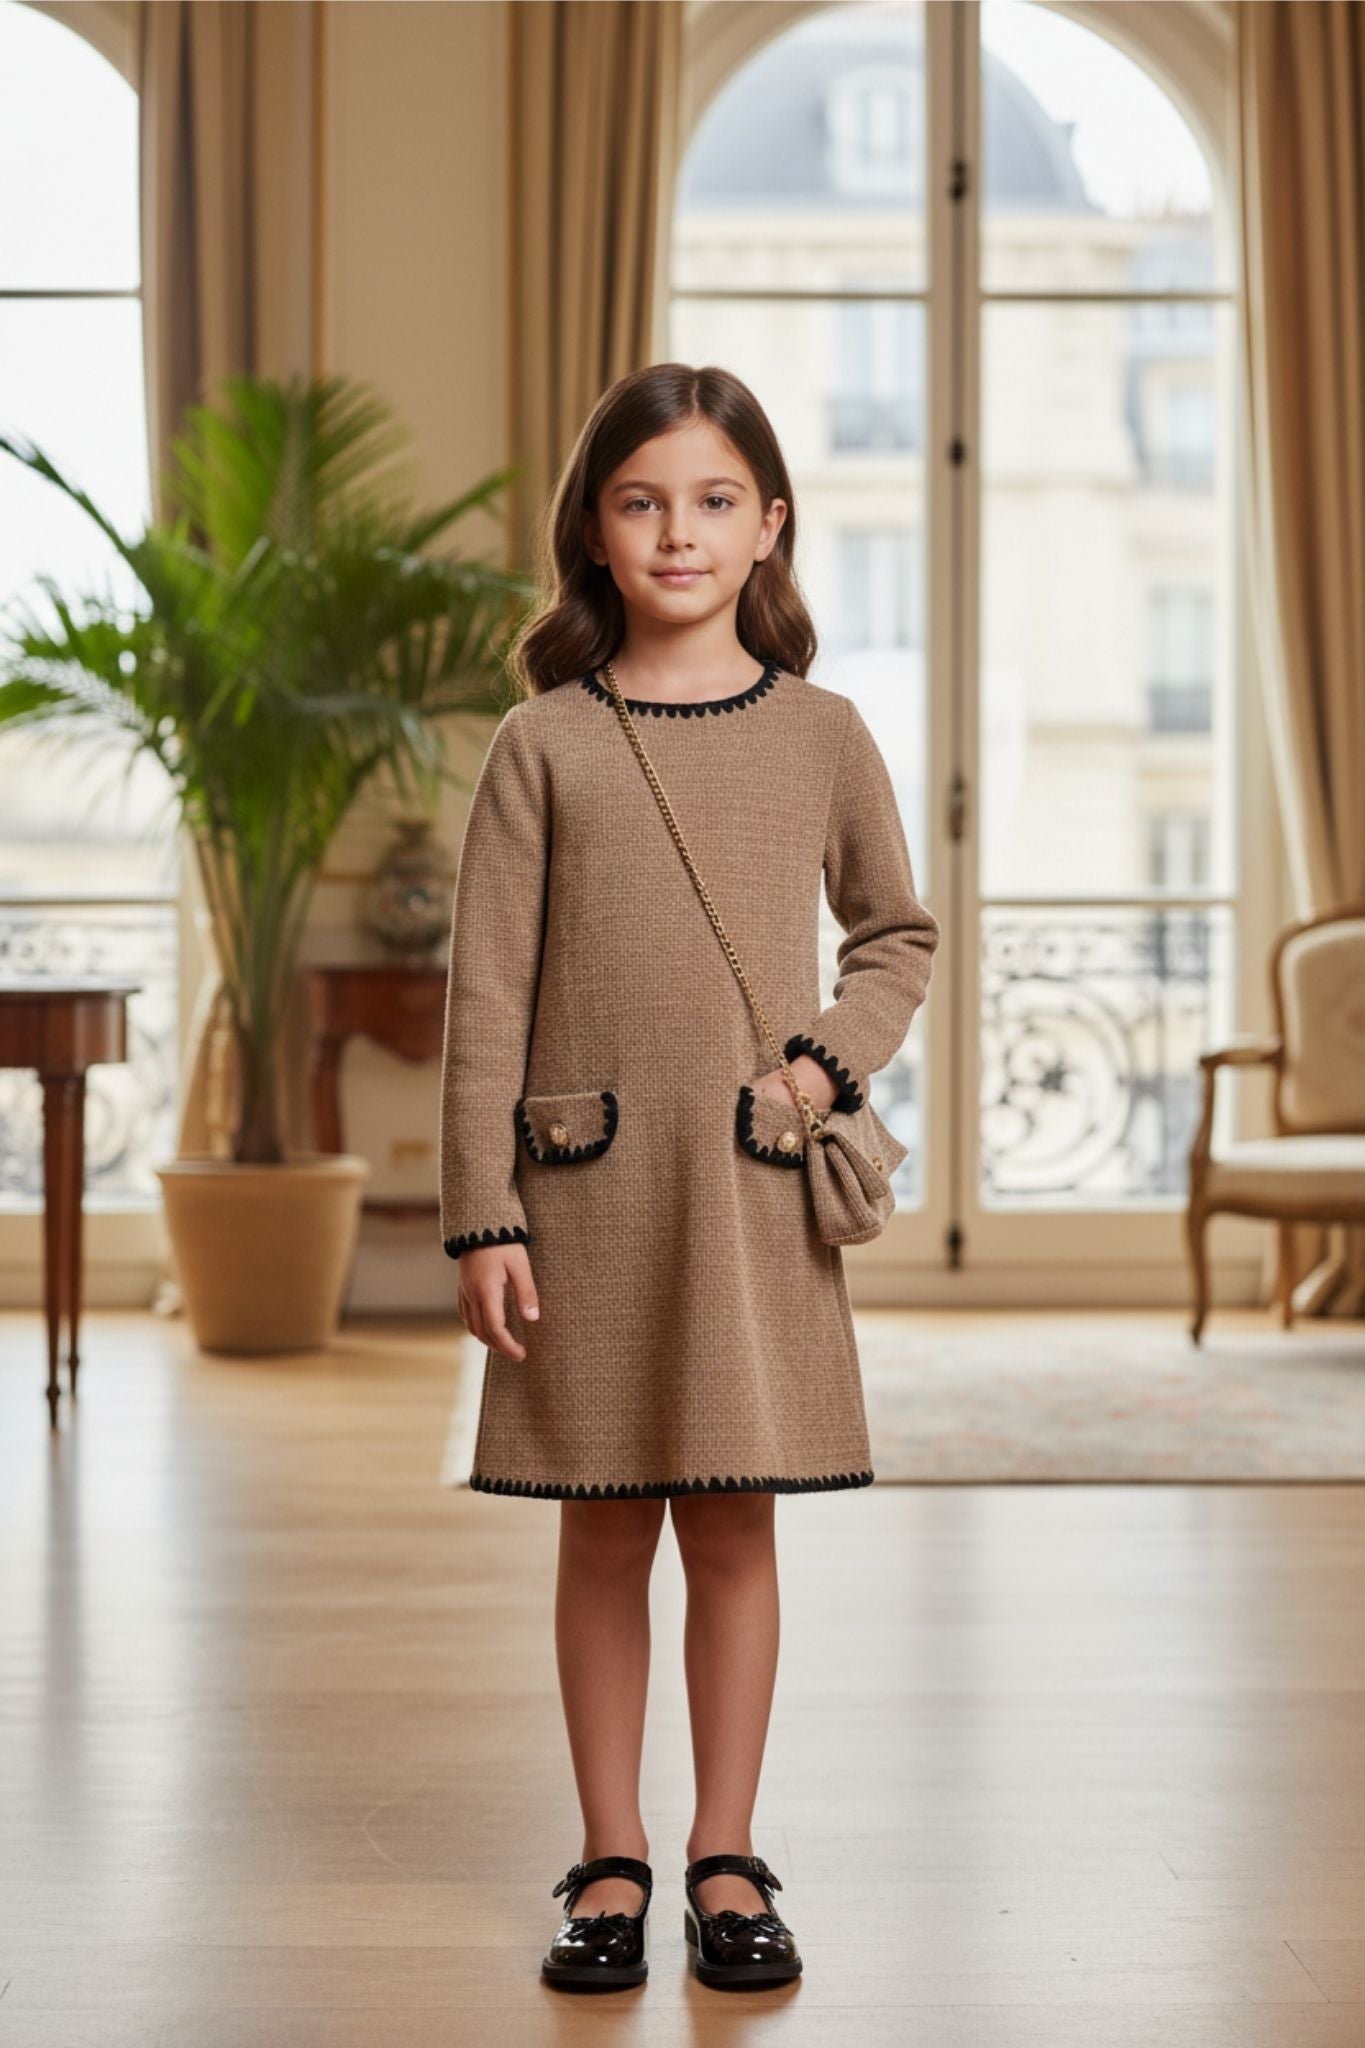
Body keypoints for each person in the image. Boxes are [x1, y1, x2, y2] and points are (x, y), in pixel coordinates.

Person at [437, 361, 940, 1991]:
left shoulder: (823, 735)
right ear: (593, 528)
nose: (678, 532)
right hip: (580, 1198)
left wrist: (822, 1068)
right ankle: (610, 1858)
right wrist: (481, 1214)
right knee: (599, 1530)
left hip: (747, 1194)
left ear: (768, 525)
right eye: (642, 501)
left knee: (731, 1529)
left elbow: (895, 936)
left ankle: (726, 1855)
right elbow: (486, 997)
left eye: (714, 500)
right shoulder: (540, 744)